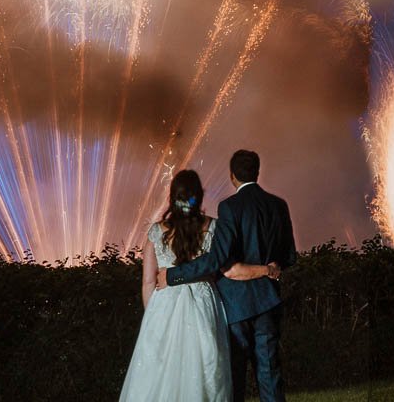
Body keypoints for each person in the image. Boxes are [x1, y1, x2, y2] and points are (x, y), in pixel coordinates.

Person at [118, 169, 276, 402]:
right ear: (199, 197)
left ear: (172, 196)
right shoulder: (213, 227)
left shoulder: (156, 232)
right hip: (203, 303)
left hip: (164, 303)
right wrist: (266, 270)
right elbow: (229, 269)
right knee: (204, 365)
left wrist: (152, 315)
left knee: (158, 369)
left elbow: (148, 281)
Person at [157, 149, 297, 402]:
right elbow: (289, 257)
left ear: (232, 176)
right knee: (269, 371)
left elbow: (217, 259)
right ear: (257, 171)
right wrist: (268, 269)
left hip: (236, 304)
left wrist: (174, 275)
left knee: (234, 375)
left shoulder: (230, 207)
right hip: (268, 300)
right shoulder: (279, 205)